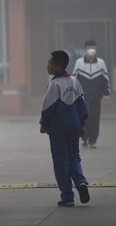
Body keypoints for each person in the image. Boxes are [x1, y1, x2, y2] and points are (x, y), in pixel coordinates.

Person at [40, 50, 90, 207]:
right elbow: (82, 106)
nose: (48, 66)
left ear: (58, 66)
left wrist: (43, 124)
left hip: (58, 130)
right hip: (74, 128)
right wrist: (81, 126)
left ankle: (67, 196)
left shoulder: (54, 84)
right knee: (74, 157)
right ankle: (81, 182)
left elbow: (48, 108)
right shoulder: (75, 82)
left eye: (50, 63)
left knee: (61, 162)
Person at [72, 40, 110, 149]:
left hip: (96, 96)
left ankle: (93, 140)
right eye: (89, 48)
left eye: (93, 47)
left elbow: (105, 79)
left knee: (95, 118)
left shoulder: (100, 63)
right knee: (86, 117)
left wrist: (106, 92)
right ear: (85, 50)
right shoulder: (79, 63)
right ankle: (84, 138)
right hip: (83, 96)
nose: (91, 50)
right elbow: (74, 79)